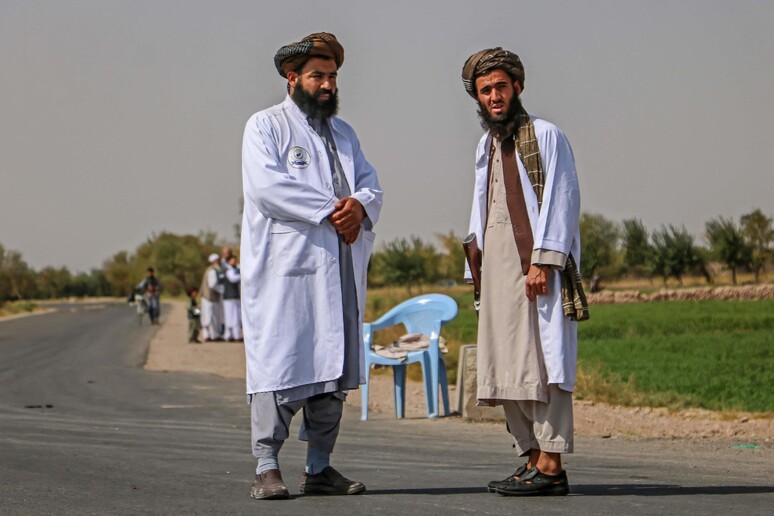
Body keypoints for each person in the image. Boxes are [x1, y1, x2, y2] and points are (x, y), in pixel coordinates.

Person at [240, 32, 382, 501]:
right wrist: (332, 209)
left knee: (333, 370)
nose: (327, 85)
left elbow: (370, 185)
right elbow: (266, 188)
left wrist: (359, 207)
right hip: (288, 272)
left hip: (338, 268)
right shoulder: (266, 126)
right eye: (318, 76)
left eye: (333, 76)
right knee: (281, 364)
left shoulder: (345, 134)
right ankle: (266, 466)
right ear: (292, 78)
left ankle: (319, 468)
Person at [461, 48, 588, 497]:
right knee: (506, 361)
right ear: (477, 99)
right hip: (496, 274)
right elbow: (482, 210)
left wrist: (542, 260)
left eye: (500, 86)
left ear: (517, 87)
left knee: (543, 362)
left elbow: (563, 199)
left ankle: (552, 464)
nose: (494, 97)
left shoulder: (546, 135)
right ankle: (532, 458)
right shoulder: (486, 145)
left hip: (535, 271)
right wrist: (474, 268)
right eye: (484, 91)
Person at [199, 253, 225, 341]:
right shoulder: (212, 271)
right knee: (208, 316)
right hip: (208, 297)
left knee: (213, 317)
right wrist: (223, 290)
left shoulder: (213, 270)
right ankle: (207, 335)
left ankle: (213, 335)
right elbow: (212, 285)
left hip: (211, 297)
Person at [223, 255, 242, 342]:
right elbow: (233, 279)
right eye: (233, 260)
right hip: (229, 297)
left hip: (235, 297)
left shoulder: (236, 269)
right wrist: (242, 276)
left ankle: (235, 335)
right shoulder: (228, 270)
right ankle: (230, 335)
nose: (234, 262)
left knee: (236, 316)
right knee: (231, 317)